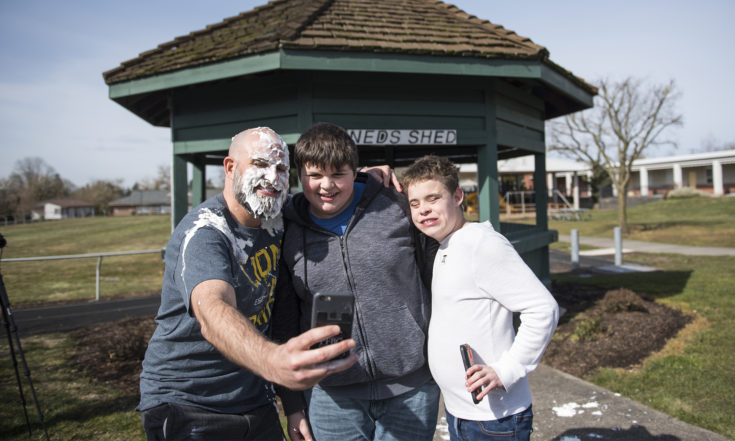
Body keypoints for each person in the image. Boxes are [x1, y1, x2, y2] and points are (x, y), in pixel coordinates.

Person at [138, 127, 357, 441]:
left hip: (254, 399)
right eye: (259, 164)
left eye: (281, 169)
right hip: (188, 403)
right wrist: (271, 360)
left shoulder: (277, 218)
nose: (271, 177)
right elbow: (212, 308)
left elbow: (332, 188)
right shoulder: (206, 232)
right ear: (230, 168)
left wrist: (370, 178)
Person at [273, 122, 439, 441]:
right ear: (299, 176)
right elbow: (285, 319)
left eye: (338, 174)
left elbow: (443, 262)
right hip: (332, 396)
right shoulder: (285, 230)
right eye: (316, 175)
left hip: (412, 387)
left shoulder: (396, 204)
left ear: (355, 171)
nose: (327, 186)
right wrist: (293, 404)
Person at [401, 155, 559, 441]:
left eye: (433, 198)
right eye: (415, 203)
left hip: (495, 419)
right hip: (463, 413)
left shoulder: (481, 244)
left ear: (458, 196)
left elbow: (543, 309)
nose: (424, 210)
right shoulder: (446, 246)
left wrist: (507, 370)